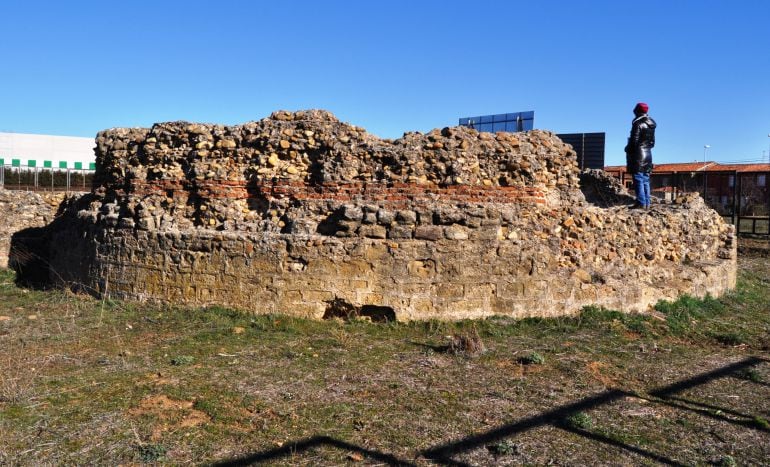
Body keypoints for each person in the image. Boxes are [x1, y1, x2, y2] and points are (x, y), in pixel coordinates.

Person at [625, 102, 656, 209]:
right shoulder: (651, 124)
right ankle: (647, 203)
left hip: (638, 154)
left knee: (638, 178)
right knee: (645, 179)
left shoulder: (637, 123)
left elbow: (634, 141)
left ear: (637, 111)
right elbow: (652, 143)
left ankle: (641, 203)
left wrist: (627, 149)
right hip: (648, 154)